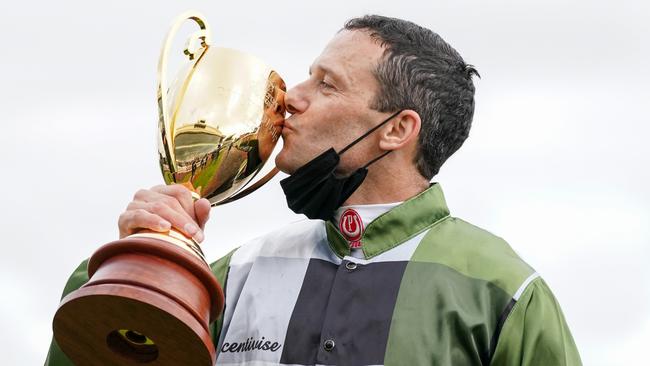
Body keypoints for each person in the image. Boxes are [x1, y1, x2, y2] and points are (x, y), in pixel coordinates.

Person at [46, 15, 582, 365]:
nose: (288, 99)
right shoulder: (236, 274)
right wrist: (130, 267)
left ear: (397, 129)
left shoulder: (506, 291)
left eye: (326, 84)